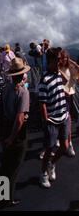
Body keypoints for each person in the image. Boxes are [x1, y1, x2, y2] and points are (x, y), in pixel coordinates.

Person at [0, 57, 31, 207]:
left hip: (5, 129)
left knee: (4, 166)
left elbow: (0, 112)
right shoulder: (23, 92)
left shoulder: (6, 89)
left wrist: (2, 135)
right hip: (15, 135)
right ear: (23, 74)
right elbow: (20, 119)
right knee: (13, 168)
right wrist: (11, 138)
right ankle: (7, 200)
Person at [39, 48, 70, 188]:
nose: (60, 61)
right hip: (52, 119)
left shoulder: (59, 74)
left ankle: (52, 164)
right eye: (57, 59)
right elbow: (42, 103)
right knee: (49, 148)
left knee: (64, 146)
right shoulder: (44, 80)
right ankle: (43, 173)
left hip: (63, 115)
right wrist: (46, 120)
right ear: (50, 60)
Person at [59, 49, 77, 157]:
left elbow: (78, 71)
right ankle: (62, 141)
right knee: (62, 120)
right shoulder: (57, 68)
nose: (64, 59)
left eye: (65, 57)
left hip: (68, 95)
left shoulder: (70, 67)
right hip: (60, 96)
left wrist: (72, 62)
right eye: (62, 58)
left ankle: (69, 143)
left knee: (68, 120)